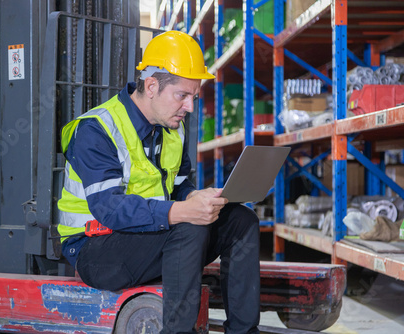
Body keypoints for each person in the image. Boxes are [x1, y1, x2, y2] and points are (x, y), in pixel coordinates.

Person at [57, 30, 260, 334]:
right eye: (182, 96)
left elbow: (178, 185)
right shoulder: (96, 130)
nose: (189, 107)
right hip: (95, 248)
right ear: (151, 86)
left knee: (241, 220)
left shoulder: (172, 129)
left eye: (194, 96)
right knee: (189, 227)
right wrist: (181, 212)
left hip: (149, 235)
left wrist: (194, 196)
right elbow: (108, 208)